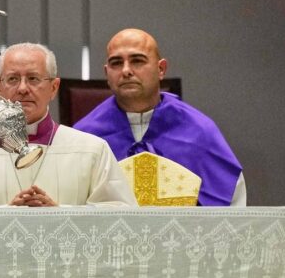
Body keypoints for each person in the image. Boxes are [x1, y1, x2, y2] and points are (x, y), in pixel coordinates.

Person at [74, 28, 245, 206]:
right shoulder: (84, 137)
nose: (126, 71)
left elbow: (232, 203)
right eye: (116, 63)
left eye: (137, 61)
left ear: (161, 69)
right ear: (106, 73)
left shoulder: (200, 132)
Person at [0, 42, 137, 207]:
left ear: (54, 87)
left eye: (33, 79)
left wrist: (60, 214)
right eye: (13, 79)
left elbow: (121, 216)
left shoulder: (93, 149)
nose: (22, 88)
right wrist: (6, 214)